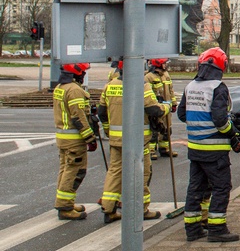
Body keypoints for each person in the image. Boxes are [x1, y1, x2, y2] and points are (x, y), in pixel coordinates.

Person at [176, 47, 240, 242]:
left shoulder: (190, 86)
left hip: (195, 149)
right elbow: (221, 120)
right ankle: (217, 229)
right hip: (214, 151)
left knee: (196, 188)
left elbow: (181, 114)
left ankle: (193, 229)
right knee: (222, 187)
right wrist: (233, 134)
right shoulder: (217, 88)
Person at [97, 59, 171, 223]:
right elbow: (153, 109)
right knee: (142, 172)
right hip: (137, 140)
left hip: (116, 139)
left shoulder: (110, 85)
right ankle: (140, 209)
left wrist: (109, 130)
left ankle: (108, 209)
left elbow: (102, 112)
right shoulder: (141, 85)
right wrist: (166, 106)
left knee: (115, 171)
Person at [53, 62, 97, 220]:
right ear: (77, 73)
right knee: (75, 171)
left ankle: (65, 201)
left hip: (63, 138)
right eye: (83, 72)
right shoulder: (74, 90)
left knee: (65, 170)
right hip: (74, 140)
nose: (84, 75)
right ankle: (65, 206)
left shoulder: (60, 88)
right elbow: (78, 117)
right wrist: (90, 138)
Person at [146, 57, 178, 159]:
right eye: (164, 63)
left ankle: (164, 149)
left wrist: (173, 103)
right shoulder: (149, 77)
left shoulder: (166, 75)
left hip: (166, 106)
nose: (166, 65)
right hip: (157, 108)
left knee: (167, 128)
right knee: (155, 129)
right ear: (158, 64)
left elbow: (171, 90)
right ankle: (151, 150)